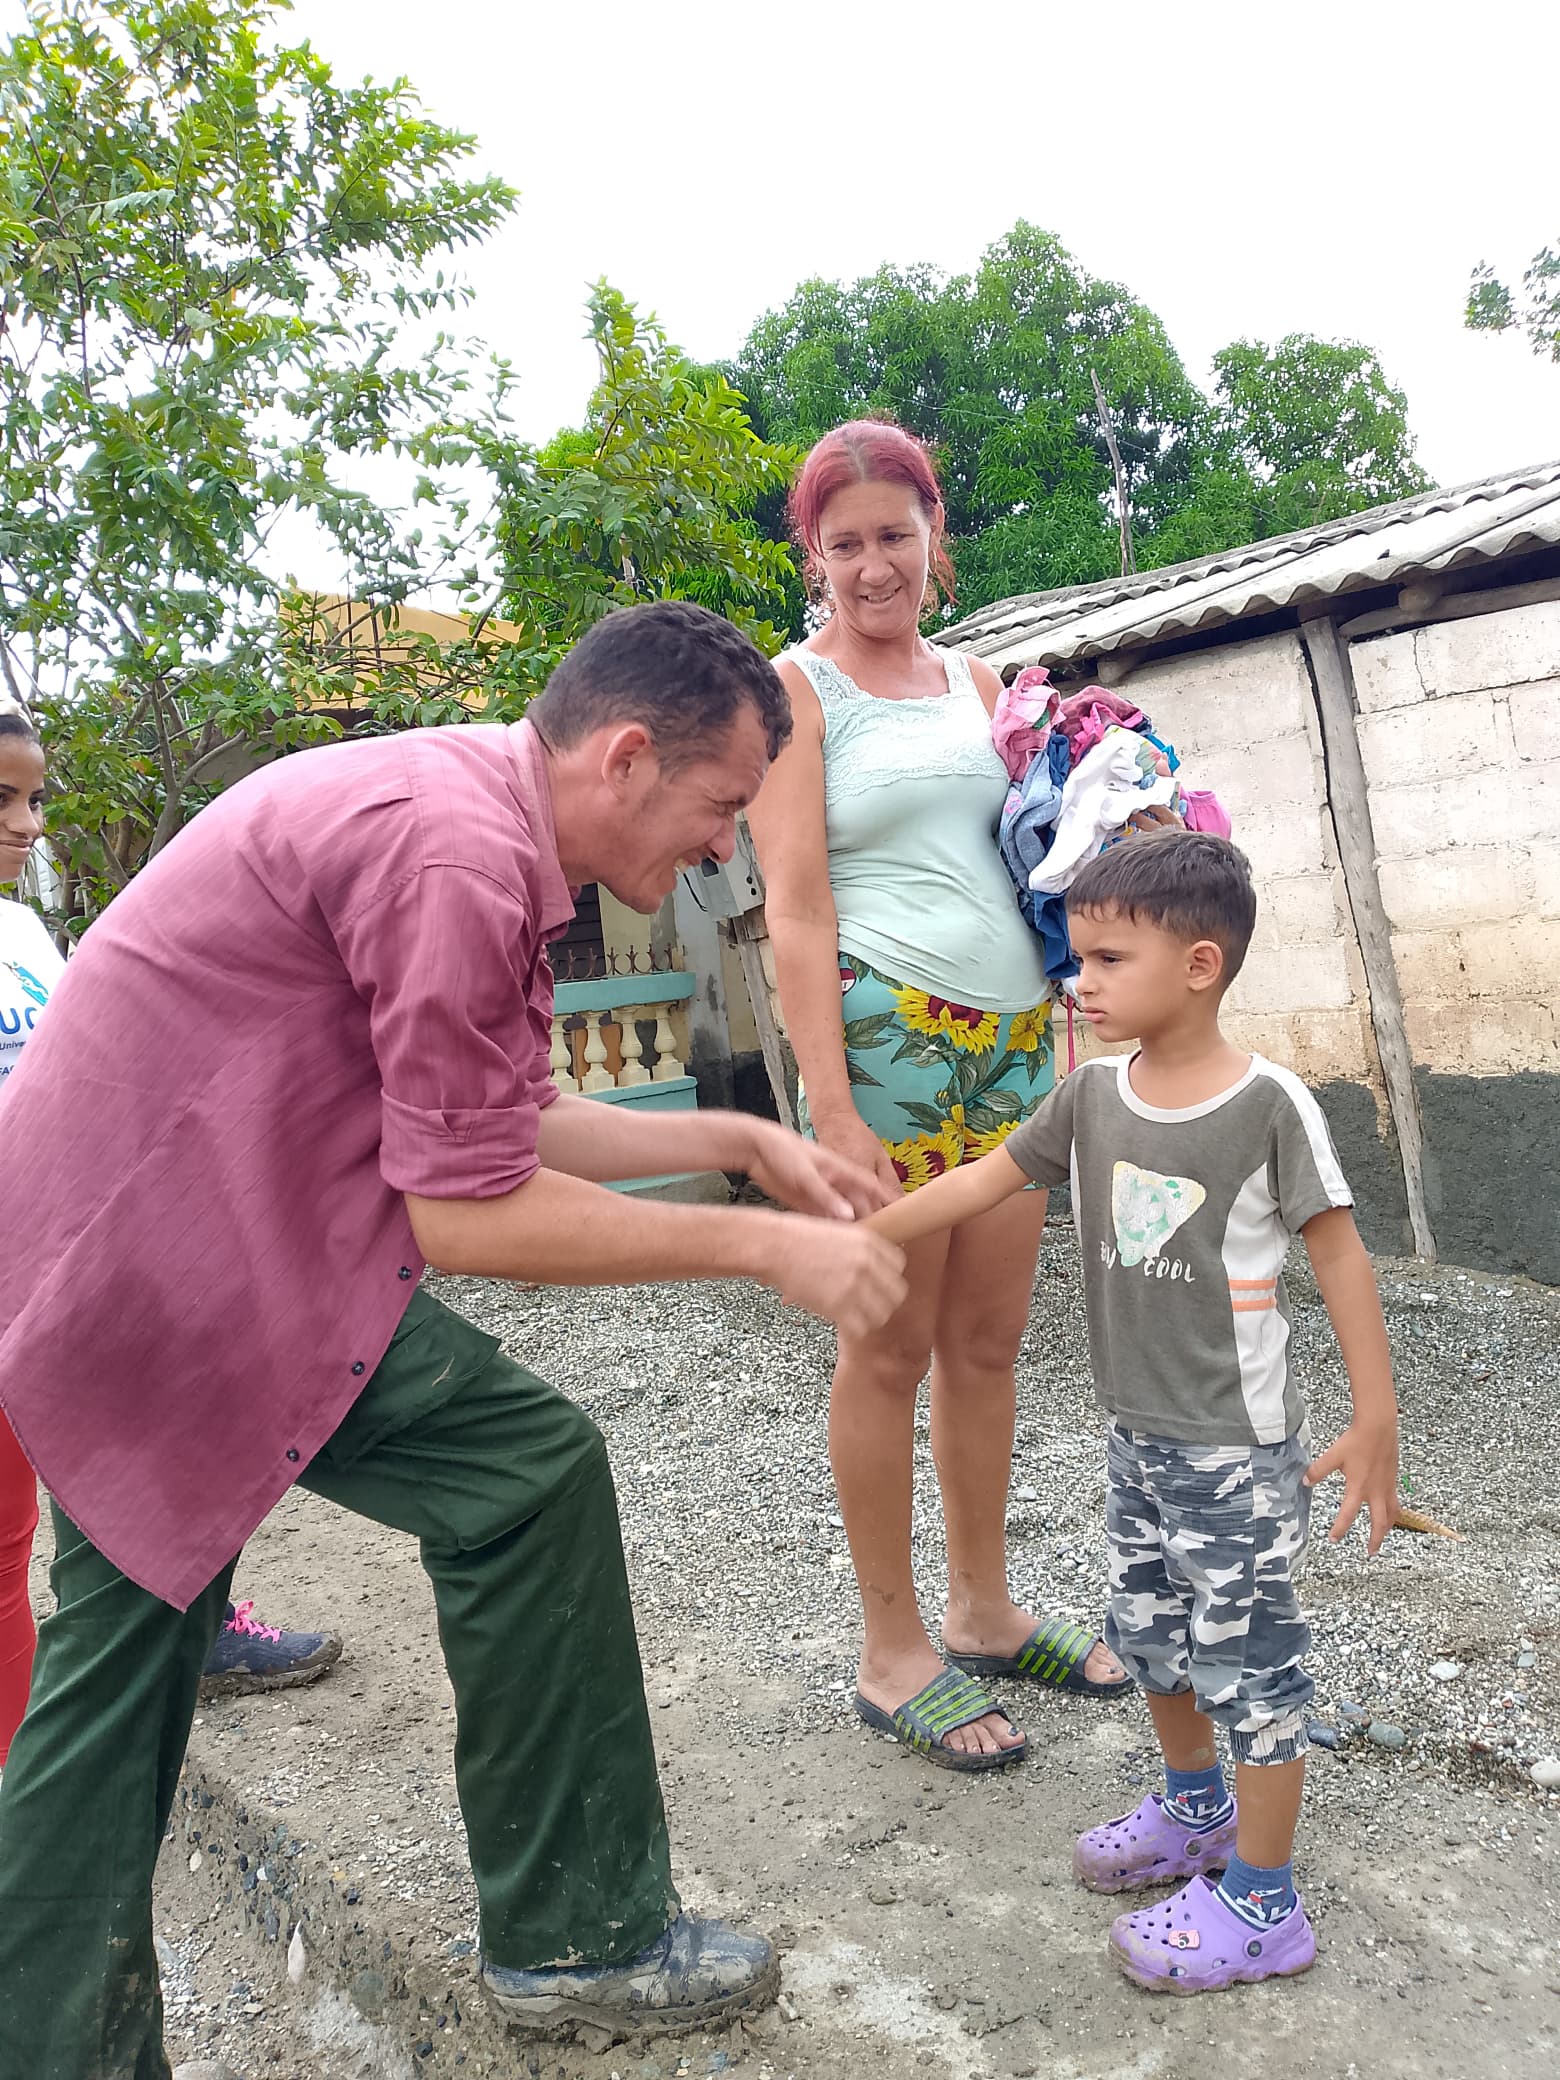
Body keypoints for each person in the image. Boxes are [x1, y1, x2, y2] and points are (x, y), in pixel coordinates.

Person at [0, 603, 908, 2080]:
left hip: (161, 1252)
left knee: (139, 1663)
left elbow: (487, 1116)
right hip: (160, 1280)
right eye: (721, 808)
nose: (726, 852)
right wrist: (761, 1245)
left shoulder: (472, 814)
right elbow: (465, 1213)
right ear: (627, 758)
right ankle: (574, 1938)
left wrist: (745, 1139)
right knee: (498, 1487)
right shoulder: (458, 852)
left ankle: (74, 2044)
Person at [864, 830, 1400, 1991]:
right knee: (1152, 1634)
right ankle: (1197, 1812)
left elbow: (1343, 1258)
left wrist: (1375, 1419)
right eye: (1078, 955)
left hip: (1236, 1450)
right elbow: (978, 1181)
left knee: (1250, 1664)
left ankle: (1266, 1903)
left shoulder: (1270, 1105)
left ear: (1200, 964)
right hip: (1138, 1437)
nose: (1080, 980)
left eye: (1107, 957)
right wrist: (852, 1234)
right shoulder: (1091, 1094)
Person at [747, 420, 1129, 1773]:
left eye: (892, 535)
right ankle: (892, 1649)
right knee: (887, 1348)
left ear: (932, 538)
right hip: (888, 1047)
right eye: (842, 543)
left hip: (1021, 1045)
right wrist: (827, 1106)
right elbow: (793, 909)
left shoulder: (979, 682)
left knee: (987, 1343)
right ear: (814, 555)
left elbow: (1030, 850)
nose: (871, 565)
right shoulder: (794, 694)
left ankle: (981, 1608)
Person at [0, 710, 339, 1784]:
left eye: (34, 798)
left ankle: (198, 1632)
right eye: (2, 800)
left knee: (154, 1464)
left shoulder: (18, 934)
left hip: (70, 1258)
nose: (26, 823)